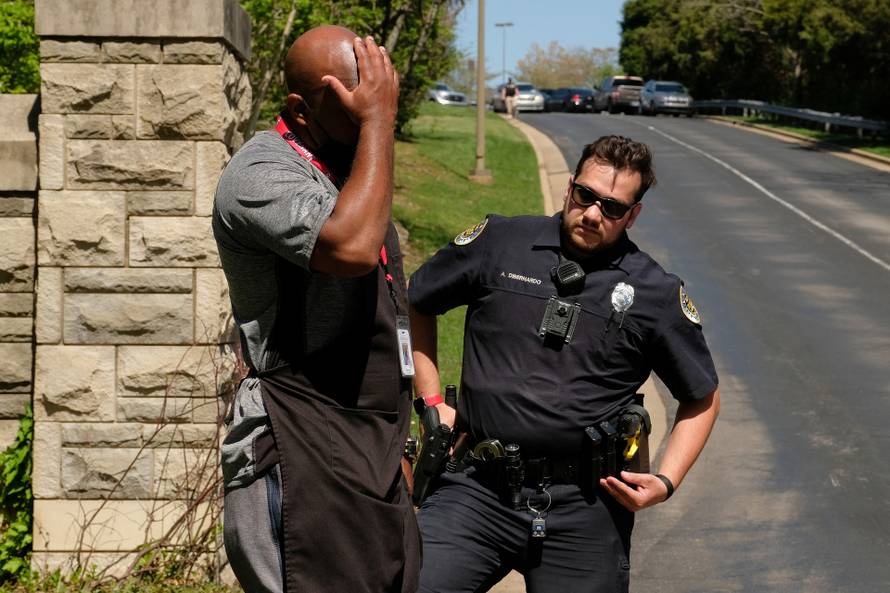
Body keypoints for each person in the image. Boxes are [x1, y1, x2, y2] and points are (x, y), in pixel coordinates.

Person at [408, 135, 720, 593]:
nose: (593, 213)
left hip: (586, 506)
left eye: (612, 208)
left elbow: (702, 398)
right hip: (476, 486)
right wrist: (432, 401)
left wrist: (666, 481)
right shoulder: (499, 242)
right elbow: (417, 298)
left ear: (632, 215)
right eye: (586, 195)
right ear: (569, 187)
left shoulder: (654, 293)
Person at [212, 25, 419, 593]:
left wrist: (398, 443)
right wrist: (380, 123)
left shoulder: (351, 166)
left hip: (369, 450)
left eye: (380, 94)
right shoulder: (260, 174)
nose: (376, 111)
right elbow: (351, 248)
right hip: (301, 445)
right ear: (301, 112)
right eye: (357, 104)